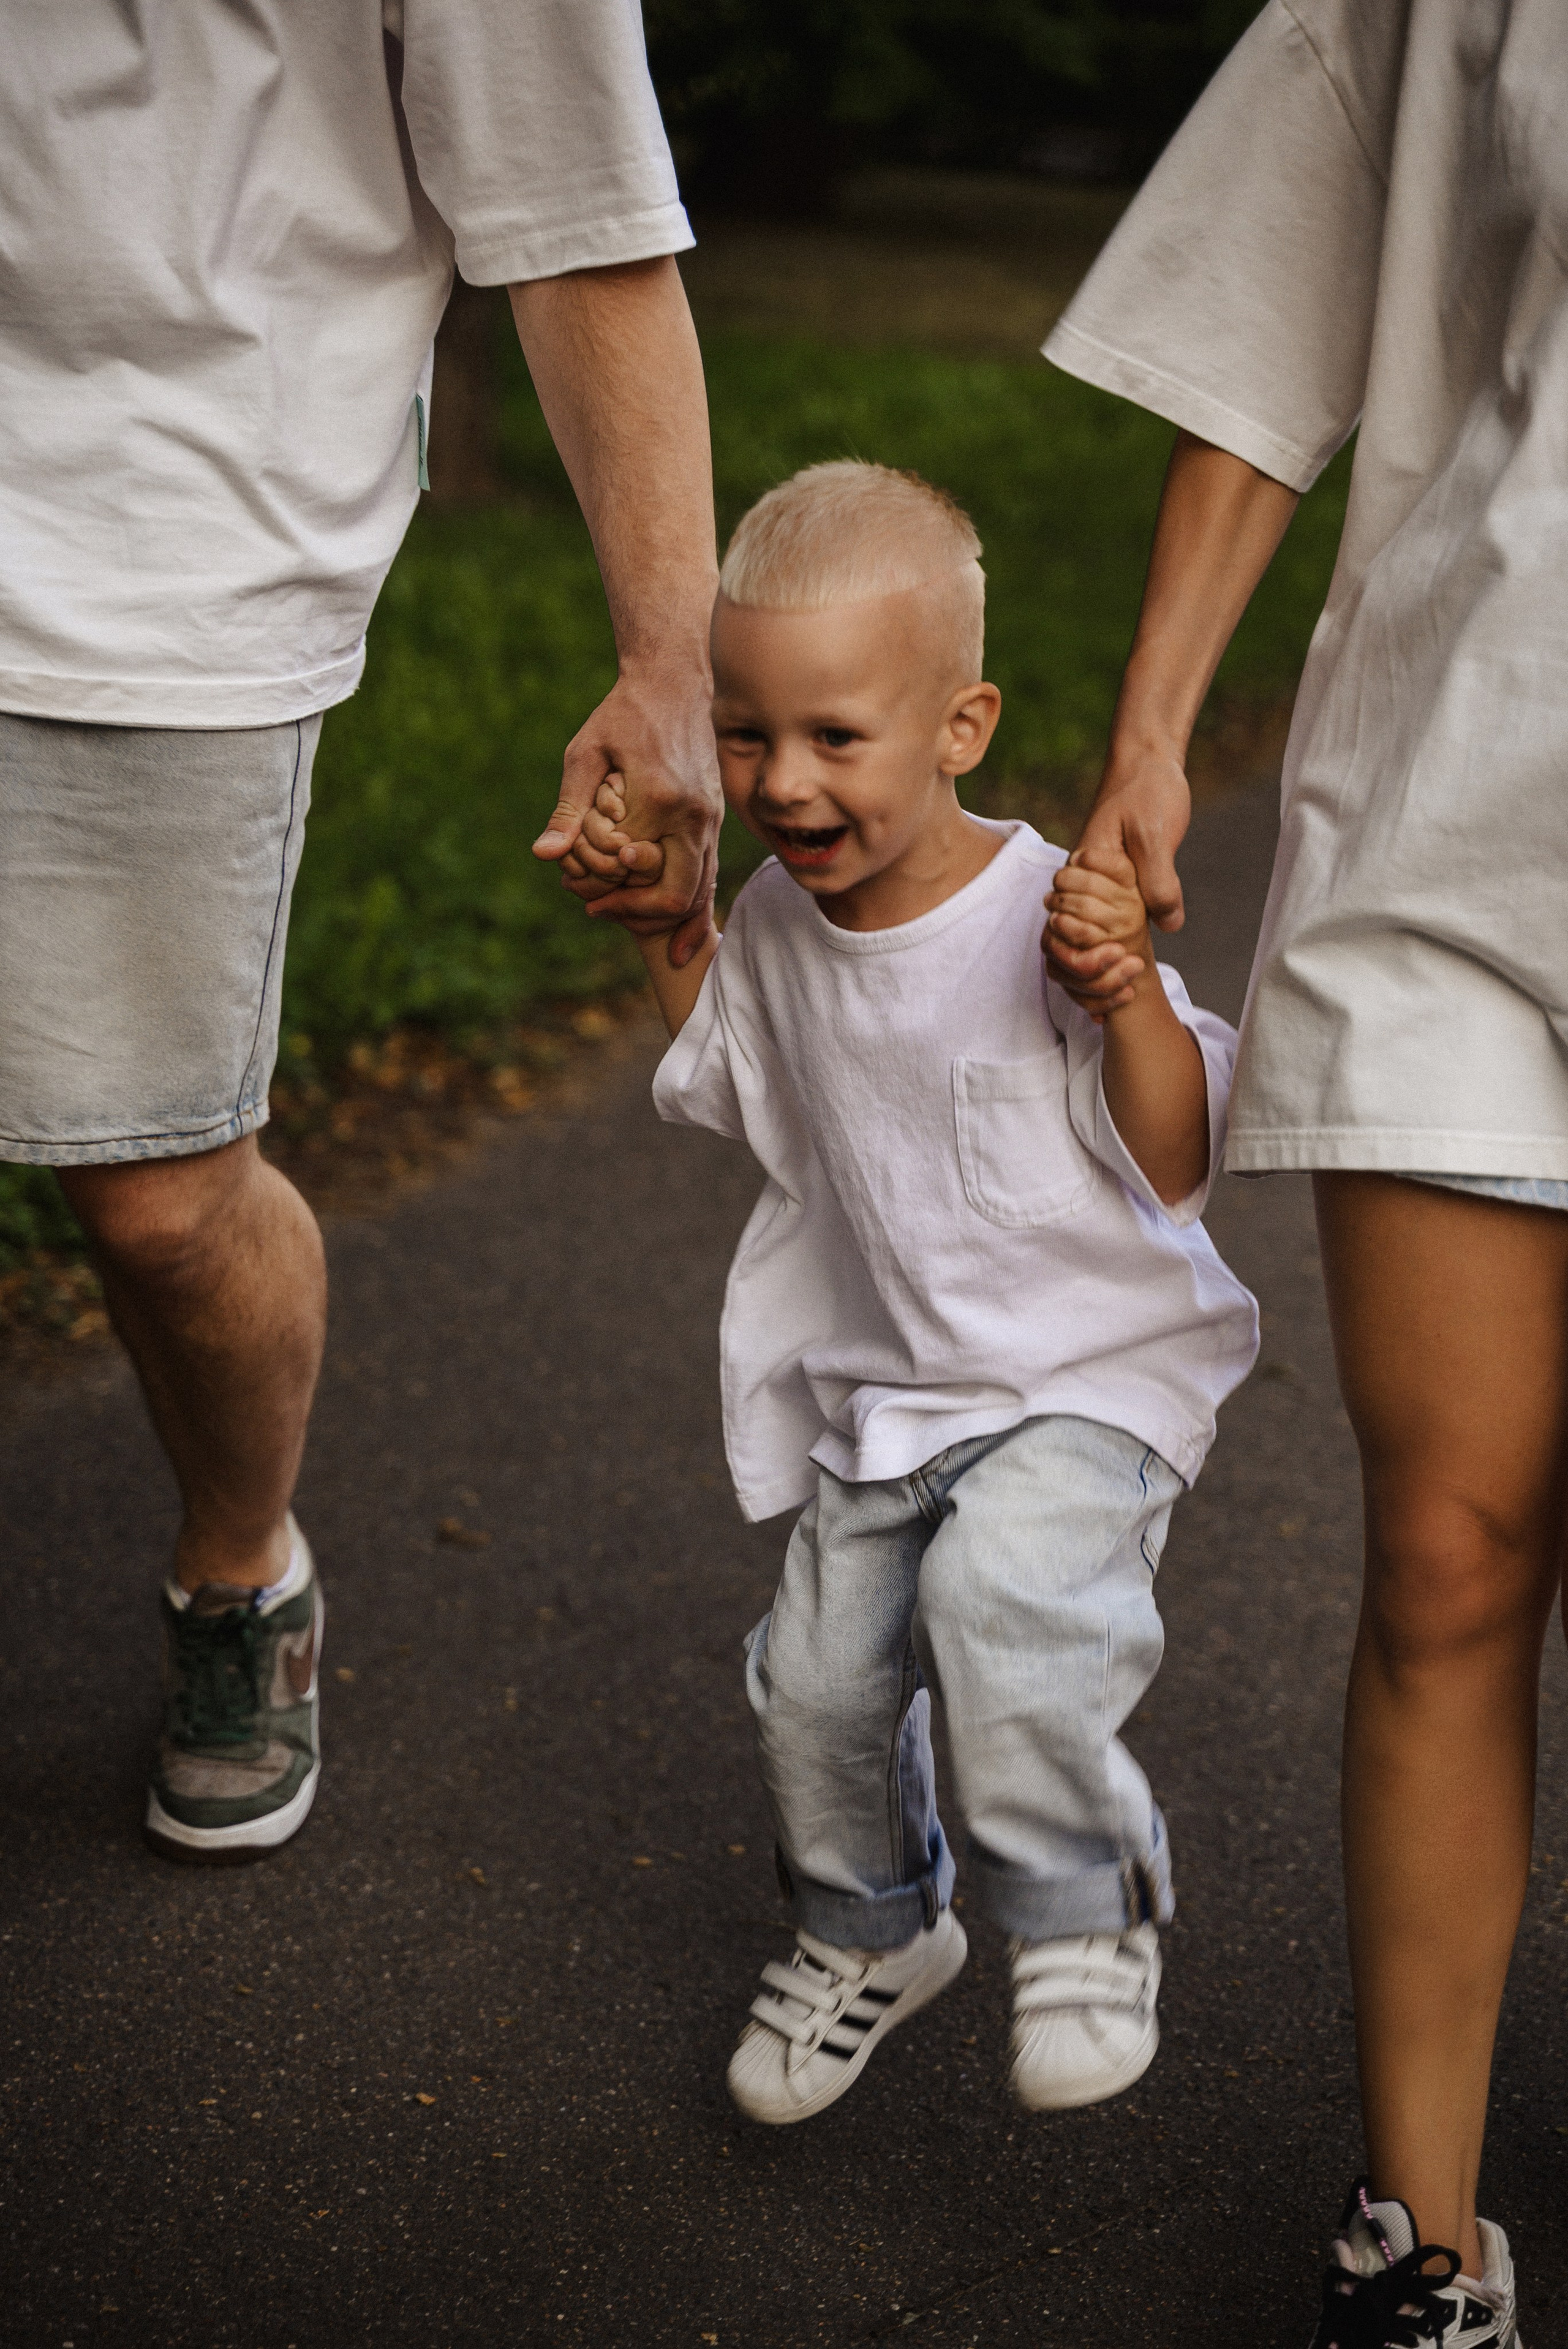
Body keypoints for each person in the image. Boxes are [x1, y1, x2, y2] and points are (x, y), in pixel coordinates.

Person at [0, 3, 720, 1863]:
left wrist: (671, 667)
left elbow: (581, 213)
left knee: (157, 1195)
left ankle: (242, 1567)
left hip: (152, 538)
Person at [1039, 4, 1564, 2340]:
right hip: (1461, 816)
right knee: (1450, 1549)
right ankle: (1420, 2245)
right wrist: (1154, 732)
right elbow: (1275, 285)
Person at [582, 459, 1258, 2124]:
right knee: (814, 1686)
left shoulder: (1051, 911)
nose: (783, 780)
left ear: (961, 727)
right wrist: (669, 924)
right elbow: (744, 1085)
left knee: (1006, 1604)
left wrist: (1131, 1001)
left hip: (1085, 1374)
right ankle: (876, 1928)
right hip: (894, 1393)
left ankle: (1086, 1913)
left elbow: (1179, 1158)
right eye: (747, 735)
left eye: (835, 736)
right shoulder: (775, 918)